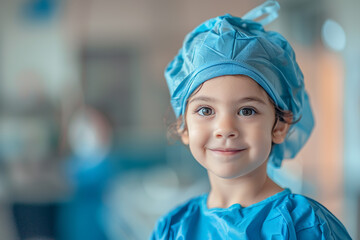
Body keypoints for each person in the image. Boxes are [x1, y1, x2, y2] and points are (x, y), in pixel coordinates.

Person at [150, 1, 352, 239]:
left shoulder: (305, 226)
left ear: (279, 126)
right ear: (184, 127)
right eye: (205, 110)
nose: (225, 129)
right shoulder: (174, 228)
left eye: (246, 111)